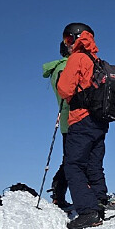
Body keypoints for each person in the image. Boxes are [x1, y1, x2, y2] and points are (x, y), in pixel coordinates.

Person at [56, 22, 110, 229]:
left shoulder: (76, 58)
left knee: (73, 164)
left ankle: (88, 212)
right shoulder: (96, 60)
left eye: (69, 39)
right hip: (100, 121)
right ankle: (98, 203)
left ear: (76, 39)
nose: (67, 44)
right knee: (94, 163)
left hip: (81, 119)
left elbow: (64, 89)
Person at [41, 41, 72, 213]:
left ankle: (58, 193)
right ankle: (59, 192)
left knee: (70, 159)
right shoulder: (66, 67)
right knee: (73, 159)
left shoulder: (59, 68)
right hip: (73, 119)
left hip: (67, 121)